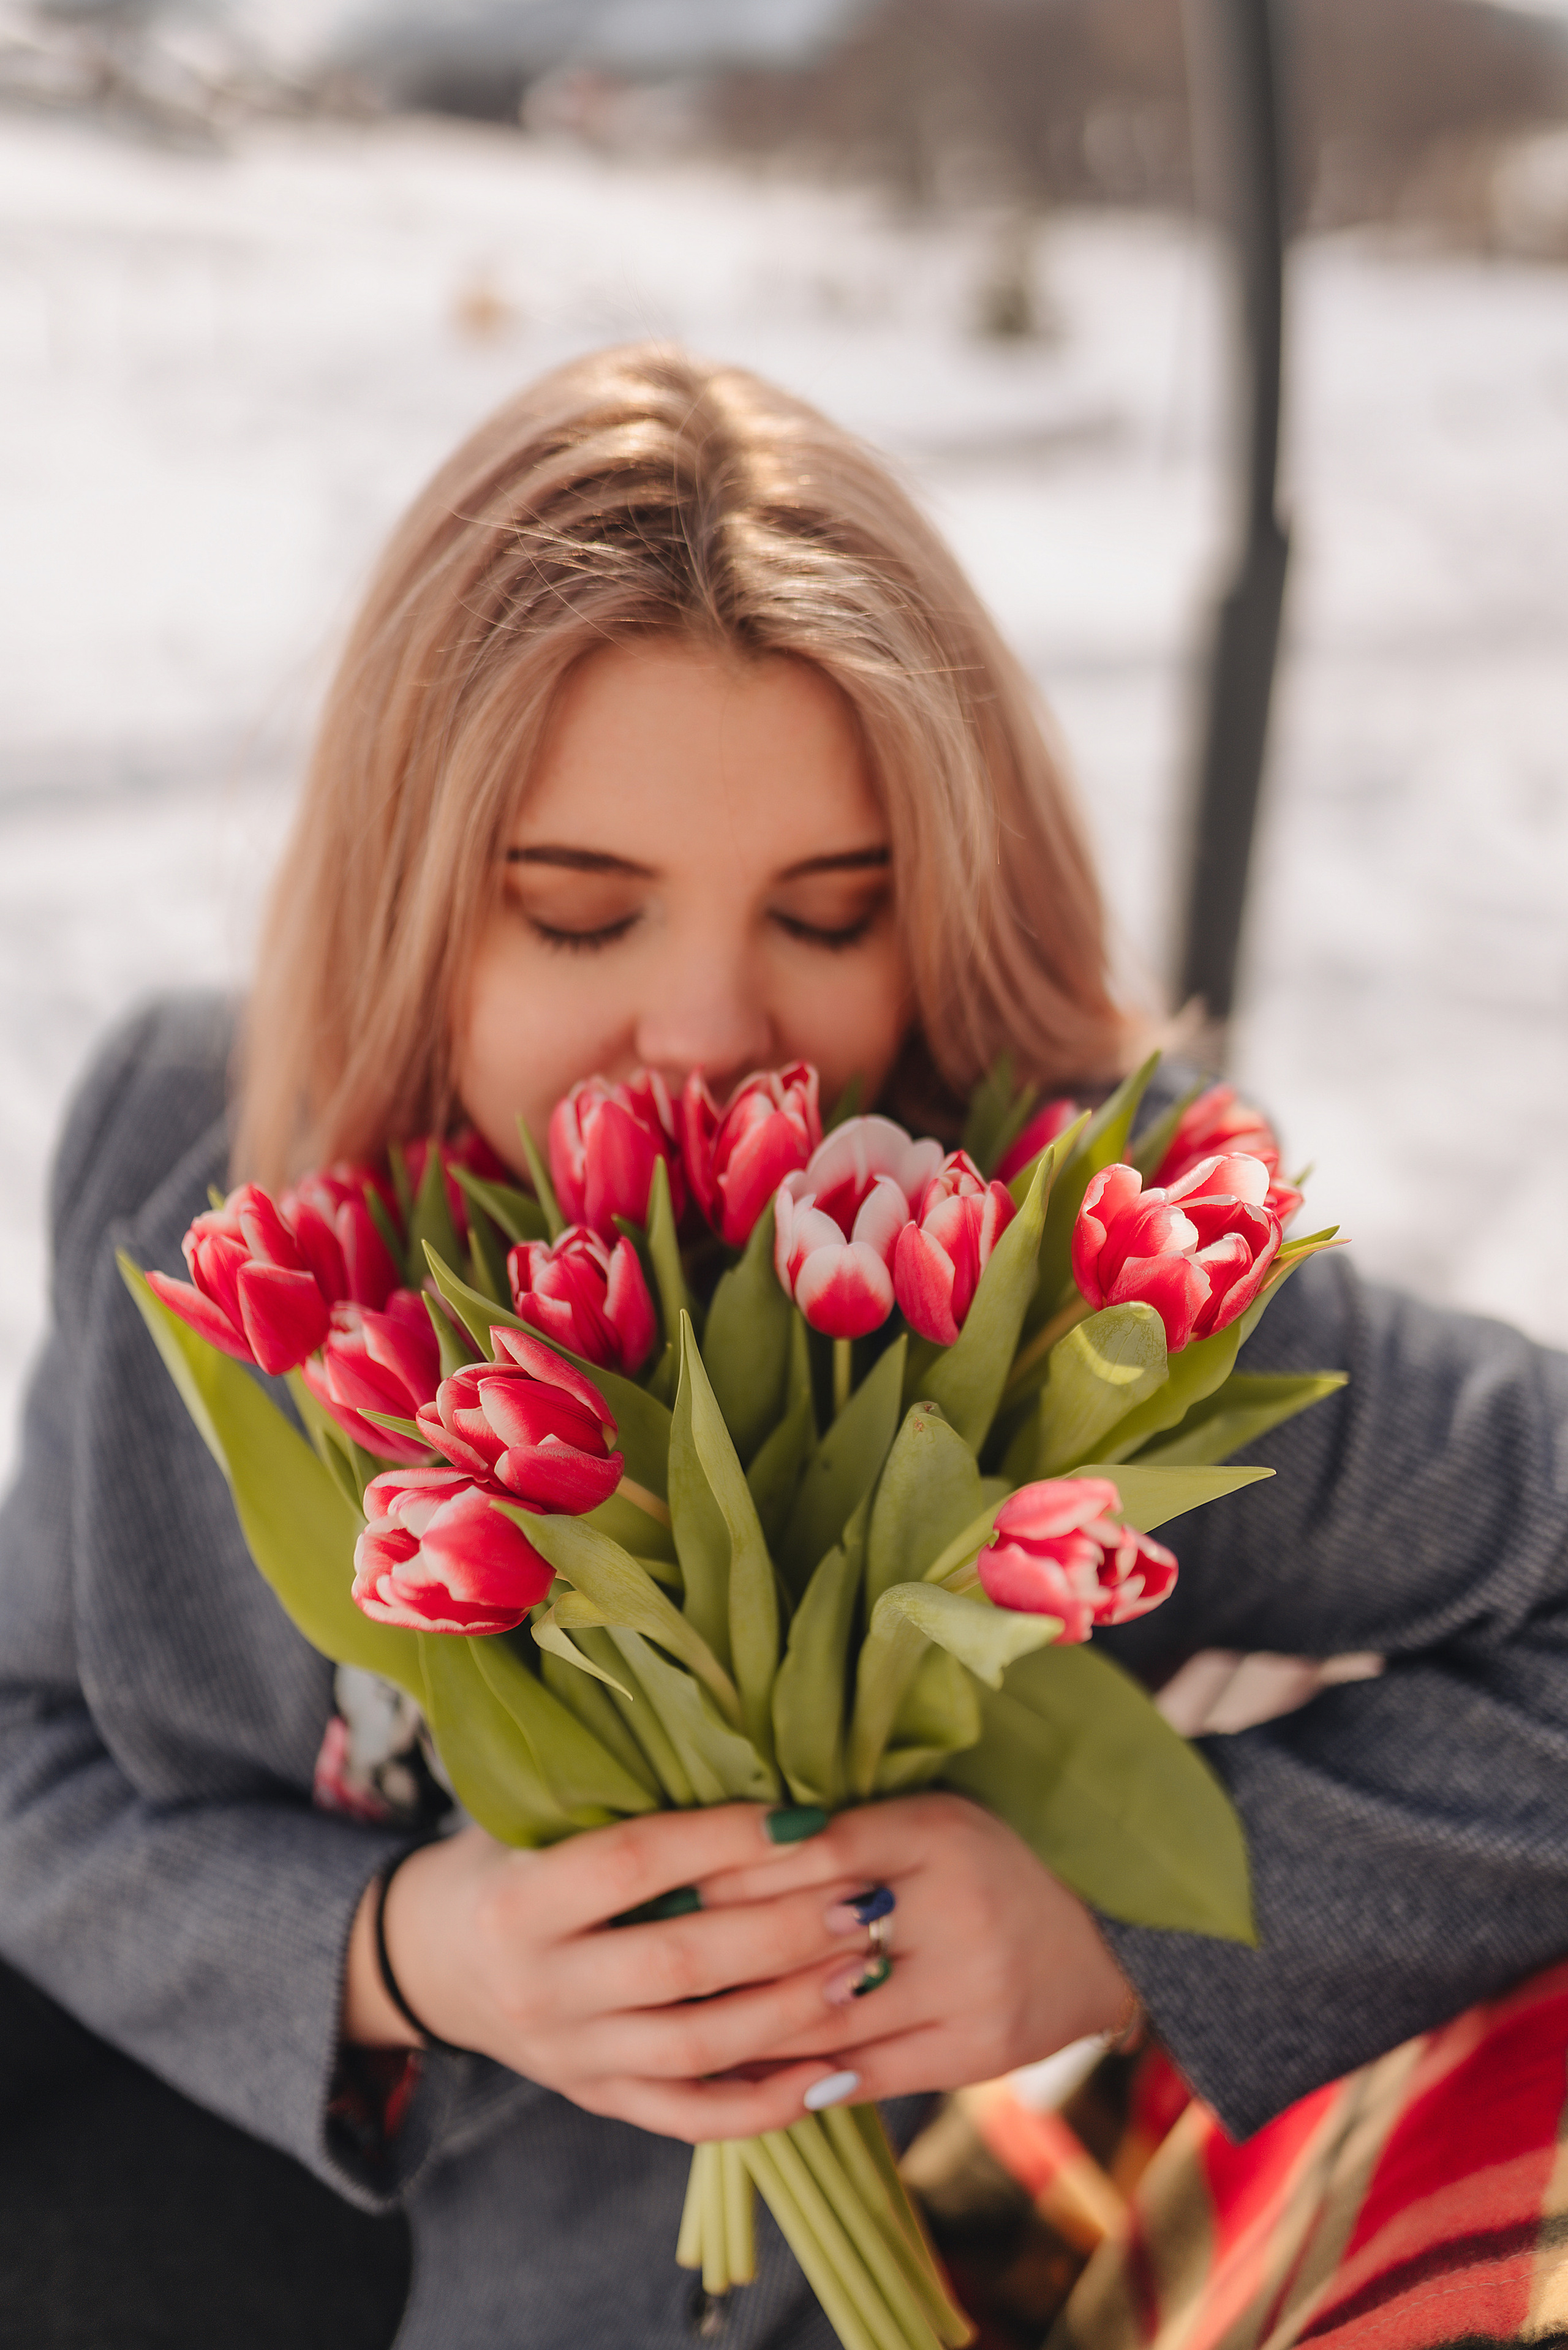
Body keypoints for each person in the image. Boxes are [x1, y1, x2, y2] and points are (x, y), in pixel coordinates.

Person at [2, 343, 1566, 2349]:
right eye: (583, 914)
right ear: (407, 899)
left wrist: (1122, 1926)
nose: (711, 1033)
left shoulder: (1052, 1261)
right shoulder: (197, 1162)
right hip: (169, 2193)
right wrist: (402, 1953)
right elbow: (36, 1753)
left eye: (831, 913)